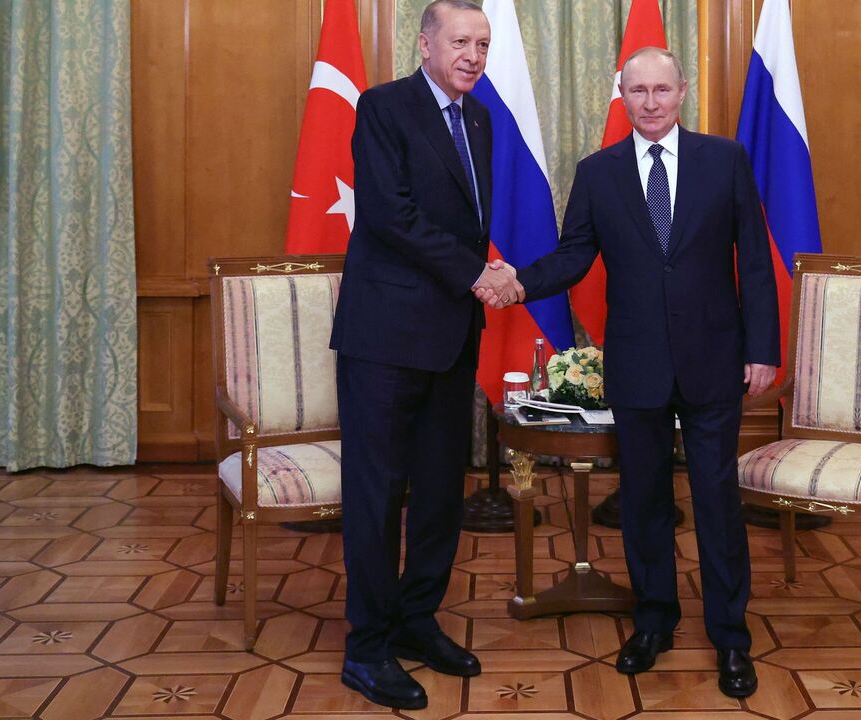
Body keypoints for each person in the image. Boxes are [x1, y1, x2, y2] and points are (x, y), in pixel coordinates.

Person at [478, 46, 779, 698]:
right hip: (638, 365)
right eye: (637, 90)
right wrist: (518, 283)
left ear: (683, 92)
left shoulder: (724, 161)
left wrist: (763, 350)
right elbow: (574, 256)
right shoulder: (598, 173)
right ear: (622, 92)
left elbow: (754, 261)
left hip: (713, 361)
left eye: (661, 90)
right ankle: (654, 624)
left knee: (717, 504)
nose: (649, 102)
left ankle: (731, 638)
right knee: (644, 502)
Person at [329, 0, 522, 710]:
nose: (474, 54)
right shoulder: (384, 107)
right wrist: (479, 274)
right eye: (461, 41)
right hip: (384, 339)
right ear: (426, 42)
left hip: (449, 337)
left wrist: (487, 274)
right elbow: (390, 213)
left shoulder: (481, 119)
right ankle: (368, 647)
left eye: (483, 43)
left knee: (442, 492)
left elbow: (470, 227)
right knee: (379, 498)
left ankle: (416, 620)